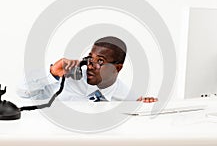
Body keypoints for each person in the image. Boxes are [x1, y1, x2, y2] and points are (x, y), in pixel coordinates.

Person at [17, 36, 158, 103]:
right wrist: (52, 73)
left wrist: (145, 107)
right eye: (90, 58)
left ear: (117, 68)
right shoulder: (68, 79)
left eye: (100, 61)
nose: (90, 65)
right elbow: (23, 92)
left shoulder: (128, 98)